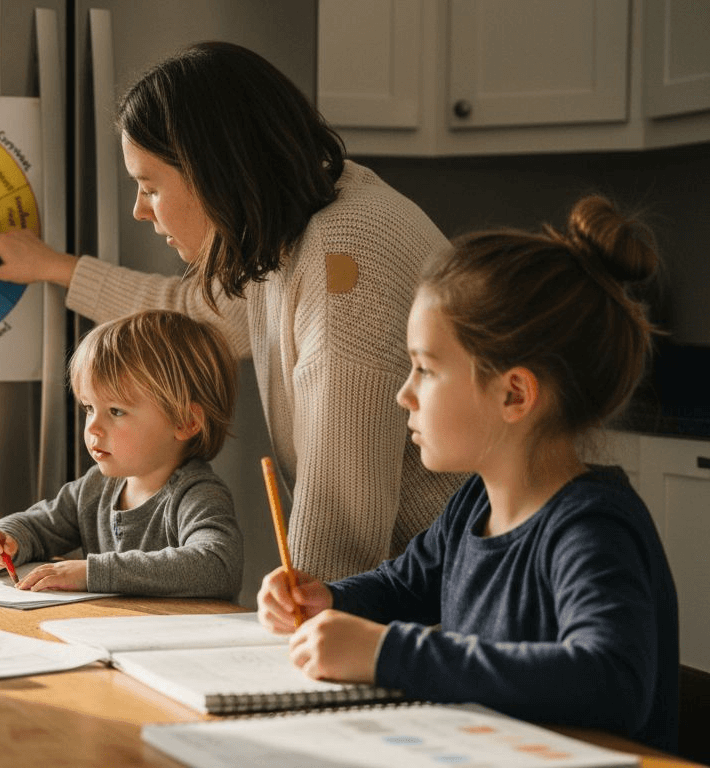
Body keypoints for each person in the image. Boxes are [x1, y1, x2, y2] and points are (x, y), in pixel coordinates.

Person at [0, 40, 462, 584]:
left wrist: (304, 628)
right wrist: (53, 267)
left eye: (150, 186)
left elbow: (339, 517)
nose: (139, 209)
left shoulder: (345, 255)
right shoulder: (301, 219)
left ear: (213, 171)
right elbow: (190, 313)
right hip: (420, 584)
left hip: (455, 590)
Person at [258, 195, 679, 751]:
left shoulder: (592, 530)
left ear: (513, 394)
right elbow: (404, 585)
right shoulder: (473, 506)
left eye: (425, 369)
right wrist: (328, 600)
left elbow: (610, 680)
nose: (403, 392)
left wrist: (387, 654)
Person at [0, 309, 244, 601]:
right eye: (89, 408)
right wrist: (1, 541)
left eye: (116, 411)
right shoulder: (95, 487)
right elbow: (38, 526)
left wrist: (92, 573)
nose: (93, 428)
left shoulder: (196, 495)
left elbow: (218, 565)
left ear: (184, 422)